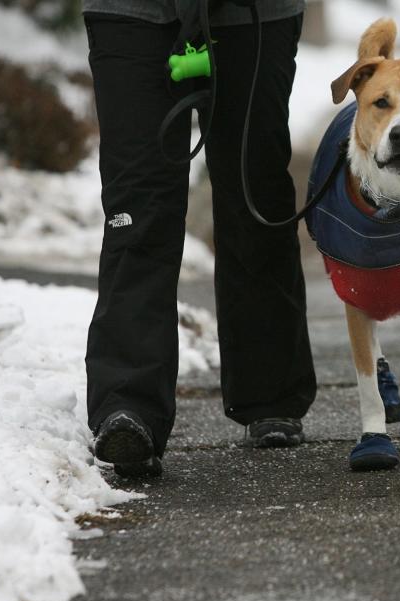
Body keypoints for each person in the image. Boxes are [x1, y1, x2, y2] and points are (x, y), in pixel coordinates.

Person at [81, 0, 315, 478]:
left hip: (256, 11)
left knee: (255, 186)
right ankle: (129, 406)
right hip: (130, 11)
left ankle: (270, 392)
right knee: (136, 203)